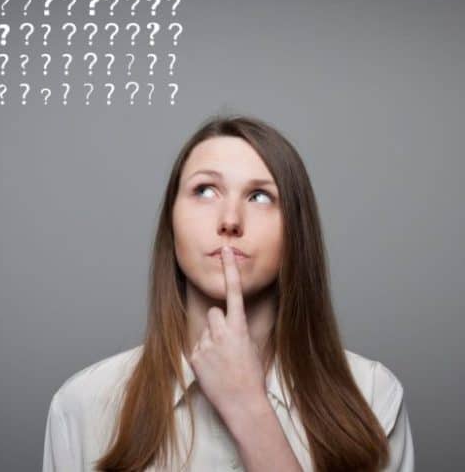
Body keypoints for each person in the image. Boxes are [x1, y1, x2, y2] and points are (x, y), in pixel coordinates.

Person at [42, 115, 415, 471]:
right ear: (171, 223)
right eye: (205, 191)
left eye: (260, 196)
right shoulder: (83, 405)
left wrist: (249, 409)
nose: (230, 220)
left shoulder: (371, 395)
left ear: (295, 233)